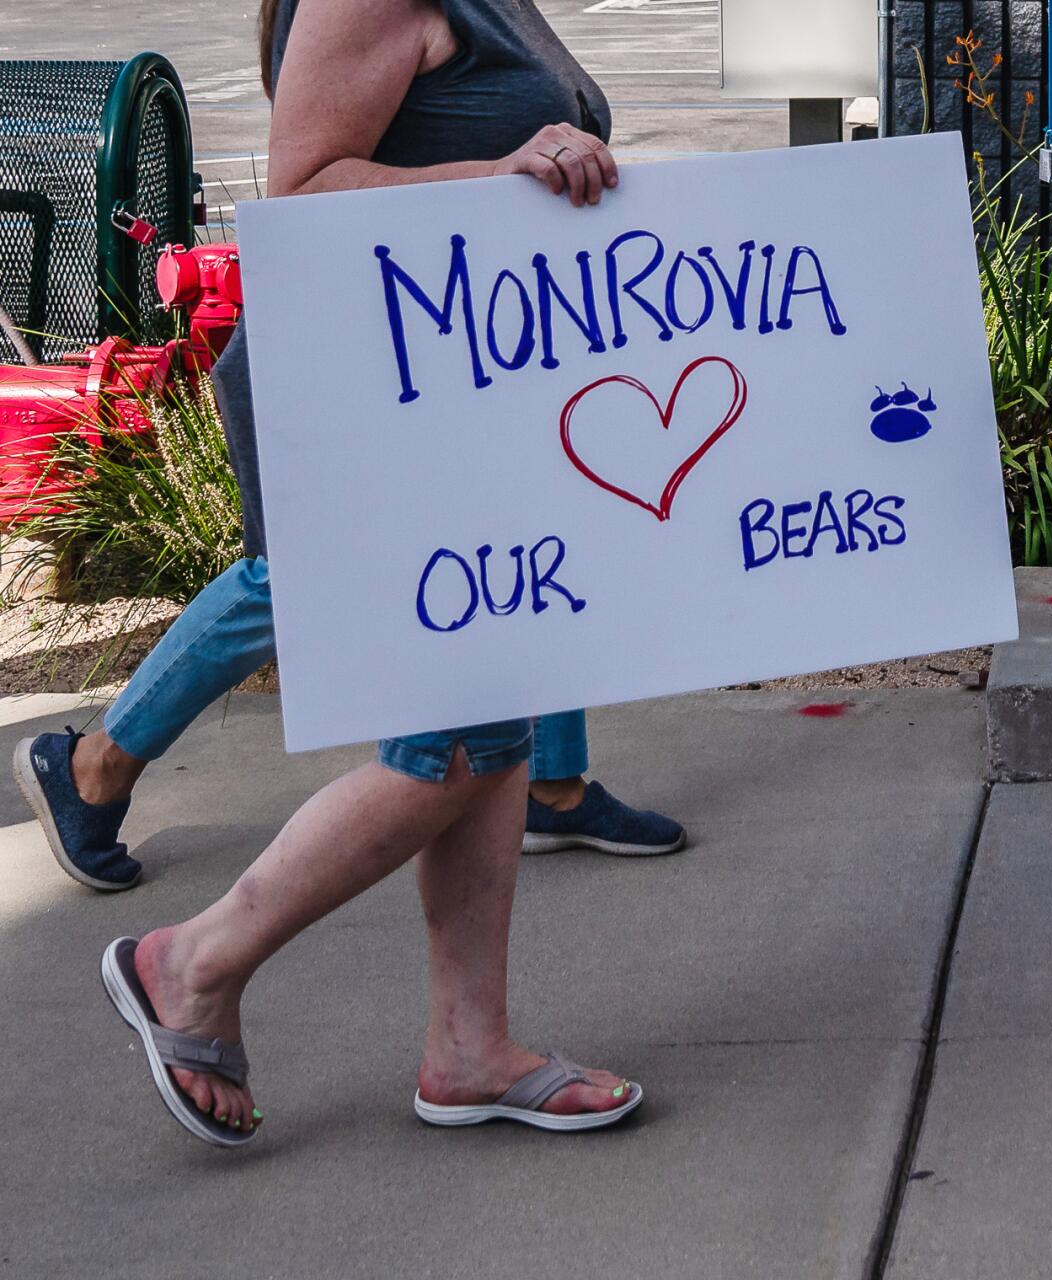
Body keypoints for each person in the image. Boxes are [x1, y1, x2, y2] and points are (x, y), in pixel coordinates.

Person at [87, 0, 659, 1143]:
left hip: (453, 399)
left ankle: (469, 1045)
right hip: (373, 408)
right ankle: (192, 960)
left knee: (489, 724)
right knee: (452, 745)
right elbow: (296, 195)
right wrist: (504, 173)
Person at [12, 0, 686, 895]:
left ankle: (551, 790)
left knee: (530, 544)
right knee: (295, 577)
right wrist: (499, 175)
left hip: (457, 355)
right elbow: (302, 189)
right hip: (346, 367)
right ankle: (93, 767)